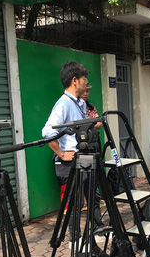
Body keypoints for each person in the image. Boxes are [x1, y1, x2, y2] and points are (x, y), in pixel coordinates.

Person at [41, 61, 103, 227]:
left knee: (94, 197)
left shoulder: (79, 103)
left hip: (84, 159)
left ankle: (97, 230)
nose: (86, 83)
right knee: (75, 206)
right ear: (75, 80)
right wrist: (61, 154)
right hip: (70, 164)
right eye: (84, 79)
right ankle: (75, 239)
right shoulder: (64, 104)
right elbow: (47, 132)